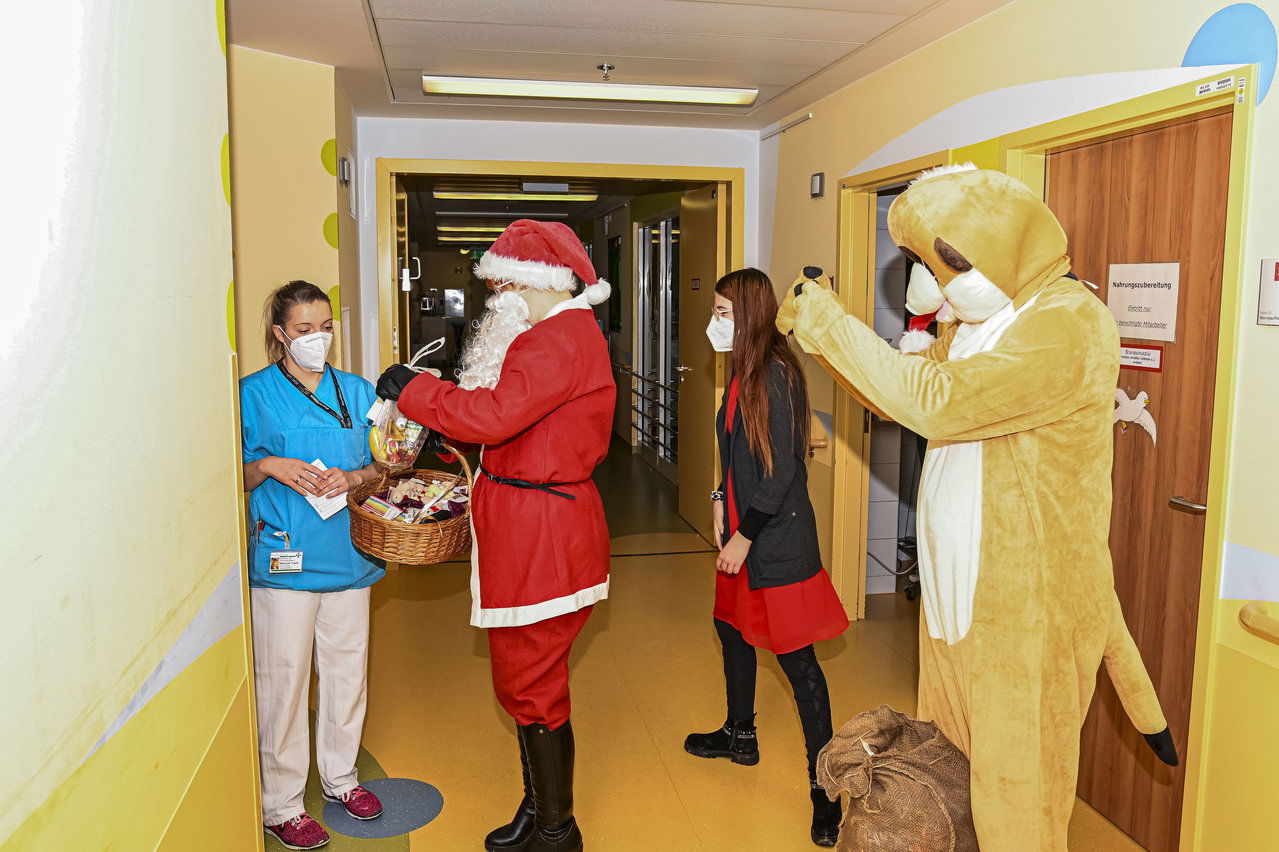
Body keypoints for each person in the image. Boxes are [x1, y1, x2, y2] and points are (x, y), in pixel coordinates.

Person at [776, 165, 1174, 850]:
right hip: (957, 604)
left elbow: (936, 402)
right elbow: (904, 397)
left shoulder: (1067, 324)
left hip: (1026, 612)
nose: (928, 286)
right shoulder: (977, 324)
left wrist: (831, 327)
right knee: (950, 778)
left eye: (936, 264)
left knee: (1015, 802)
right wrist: (822, 338)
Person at [376, 220, 614, 852]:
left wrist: (418, 391)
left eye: (500, 283)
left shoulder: (553, 340)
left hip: (543, 535)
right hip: (535, 523)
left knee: (531, 679)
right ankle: (538, 810)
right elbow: (511, 418)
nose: (493, 297)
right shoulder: (562, 333)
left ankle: (557, 829)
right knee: (523, 677)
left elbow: (494, 415)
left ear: (533, 282)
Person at [685, 268, 849, 847]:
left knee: (799, 665)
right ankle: (739, 735)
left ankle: (824, 791)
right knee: (731, 630)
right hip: (741, 533)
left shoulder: (776, 375)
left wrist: (743, 536)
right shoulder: (740, 374)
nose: (714, 324)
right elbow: (735, 454)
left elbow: (782, 472)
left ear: (750, 316)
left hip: (772, 542)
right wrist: (714, 501)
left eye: (724, 314)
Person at [241, 281, 386, 851]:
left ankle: (341, 778)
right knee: (284, 680)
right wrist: (271, 464)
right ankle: (281, 803)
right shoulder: (252, 394)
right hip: (286, 557)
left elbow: (384, 464)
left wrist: (353, 477)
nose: (316, 339)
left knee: (347, 673)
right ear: (279, 334)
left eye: (324, 327)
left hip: (349, 556)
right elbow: (234, 470)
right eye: (302, 330)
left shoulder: (356, 390)